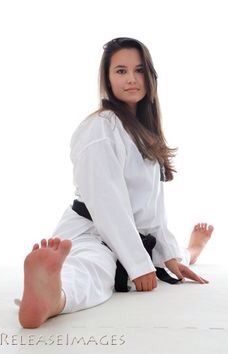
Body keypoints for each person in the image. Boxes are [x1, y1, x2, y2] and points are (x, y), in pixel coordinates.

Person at [18, 37, 214, 328]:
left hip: (132, 233)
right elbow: (106, 203)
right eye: (121, 71)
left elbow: (153, 209)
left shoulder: (146, 133)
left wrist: (167, 255)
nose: (131, 79)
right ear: (107, 79)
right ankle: (53, 295)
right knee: (95, 269)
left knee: (176, 260)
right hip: (94, 231)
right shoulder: (101, 128)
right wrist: (137, 264)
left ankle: (191, 249)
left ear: (150, 76)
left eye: (139, 70)